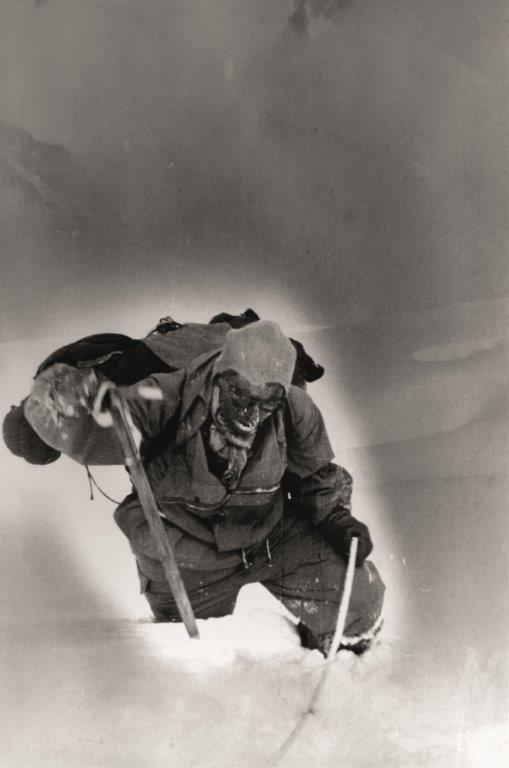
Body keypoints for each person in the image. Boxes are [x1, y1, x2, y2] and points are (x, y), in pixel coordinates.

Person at [22, 320, 384, 655]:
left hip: (268, 536)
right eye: (240, 395)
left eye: (266, 401)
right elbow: (102, 427)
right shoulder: (164, 396)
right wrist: (65, 394)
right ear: (220, 376)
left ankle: (318, 648)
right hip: (185, 553)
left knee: (360, 605)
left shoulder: (293, 408)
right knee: (189, 658)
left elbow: (315, 475)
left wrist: (335, 518)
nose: (252, 414)